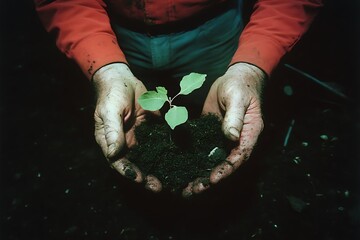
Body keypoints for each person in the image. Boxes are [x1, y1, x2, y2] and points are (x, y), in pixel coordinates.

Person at [35, 0, 322, 197]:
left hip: (215, 27)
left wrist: (252, 66)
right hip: (114, 28)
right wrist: (106, 70)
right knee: (140, 117)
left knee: (218, 110)